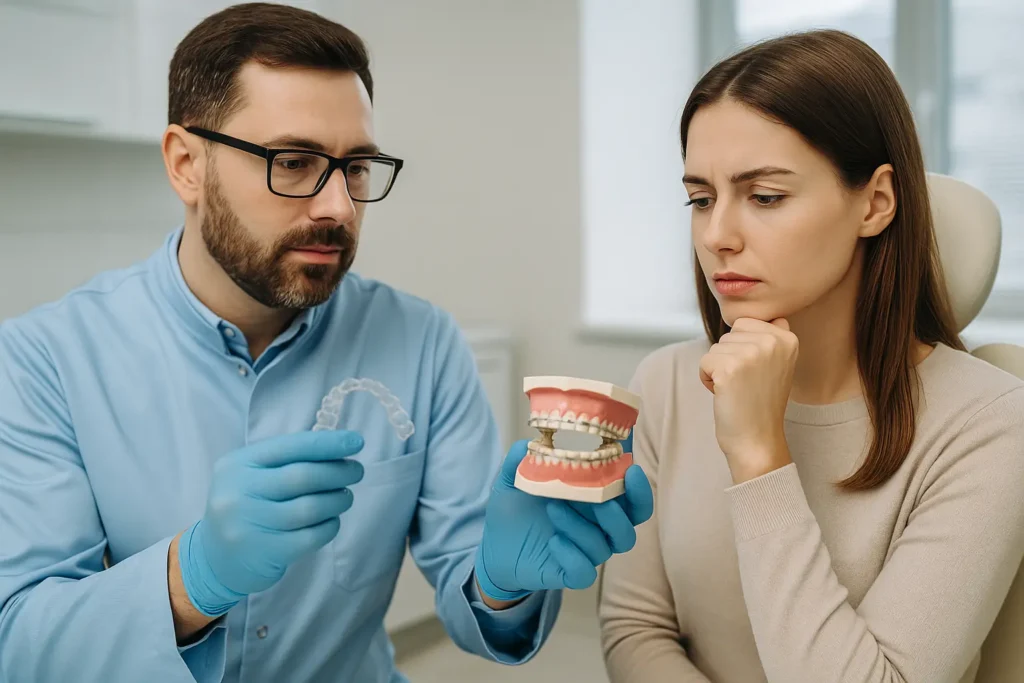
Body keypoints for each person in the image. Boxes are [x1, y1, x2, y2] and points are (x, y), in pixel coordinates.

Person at [0, 4, 653, 682]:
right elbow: (19, 642)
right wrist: (187, 580)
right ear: (186, 164)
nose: (339, 206)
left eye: (358, 166)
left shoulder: (423, 342)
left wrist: (501, 580)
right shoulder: (41, 361)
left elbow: (476, 602)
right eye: (294, 161)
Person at [598, 29, 1024, 683]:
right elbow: (635, 628)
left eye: (765, 196)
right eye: (701, 198)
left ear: (875, 203)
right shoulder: (664, 383)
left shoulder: (992, 421)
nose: (717, 236)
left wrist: (760, 456)